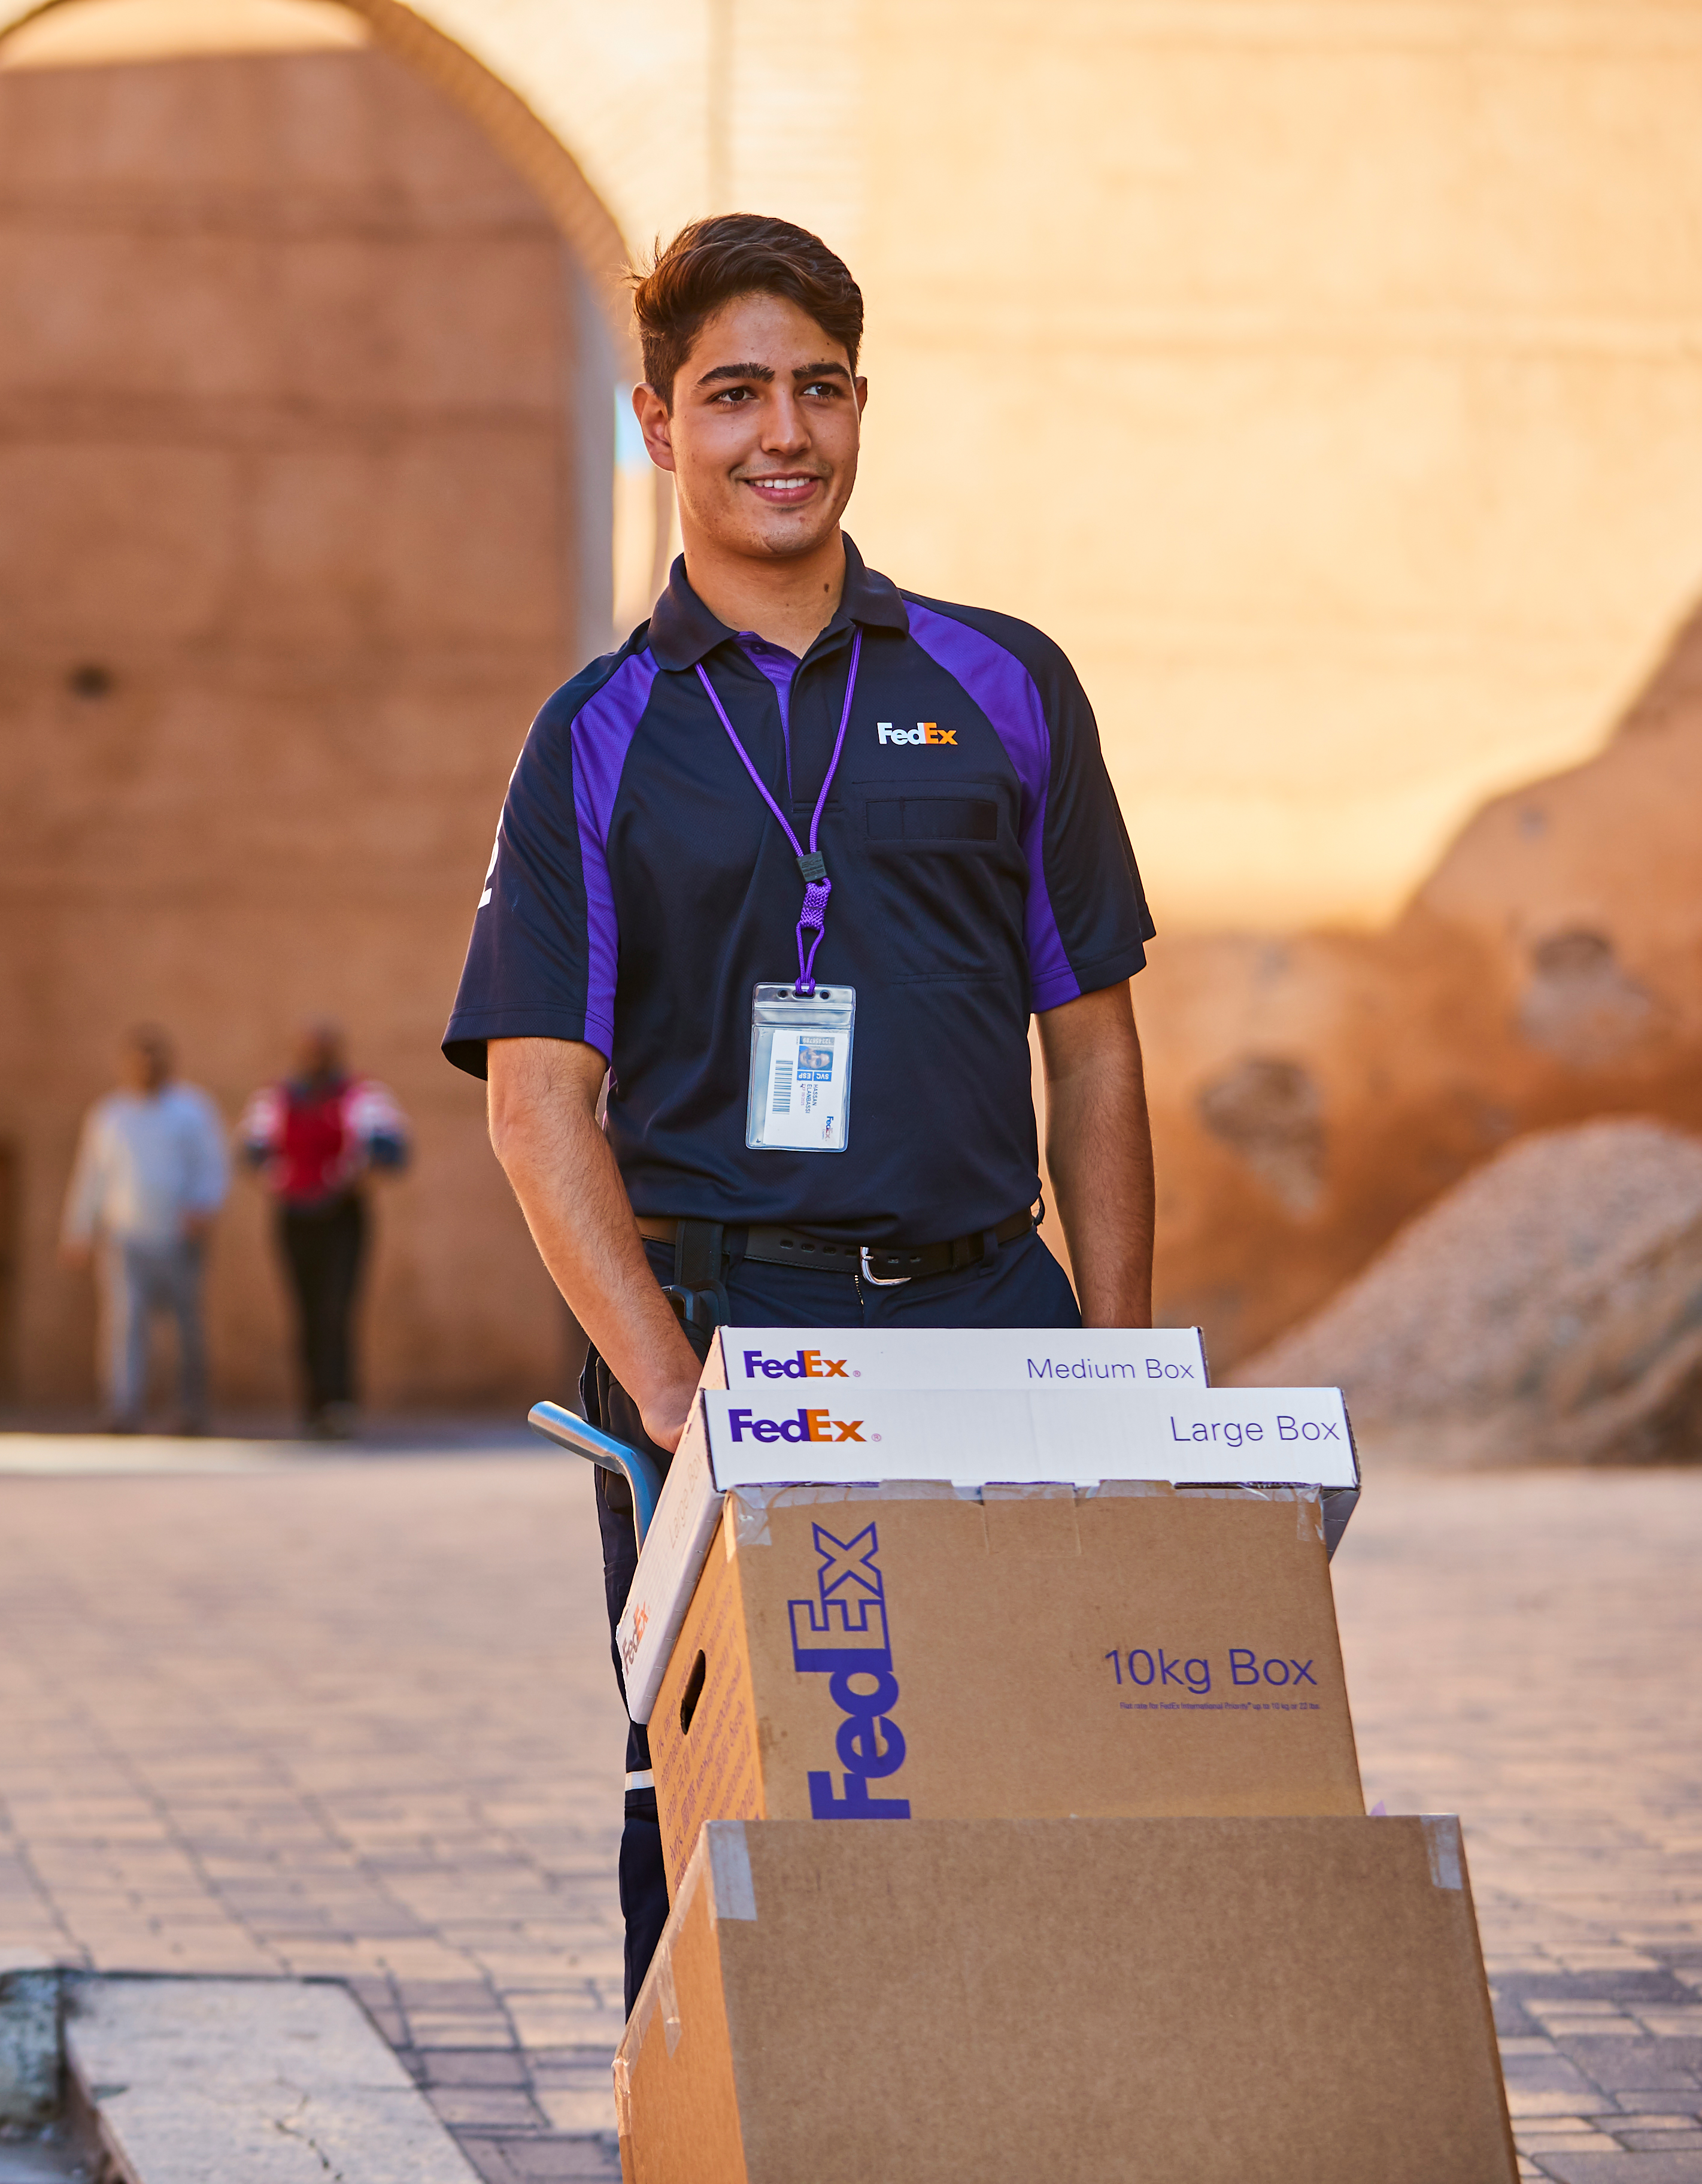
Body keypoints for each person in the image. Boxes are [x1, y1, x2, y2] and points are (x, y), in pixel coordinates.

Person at [441, 215, 1158, 2009]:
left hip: (994, 1311)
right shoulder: (597, 733)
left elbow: (1096, 1052)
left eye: (821, 389)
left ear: (861, 406)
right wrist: (681, 1405)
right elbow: (538, 1105)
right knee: (723, 1818)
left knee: (1033, 1791)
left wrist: (1121, 1371)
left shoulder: (1002, 686)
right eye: (736, 390)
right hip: (724, 1334)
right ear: (658, 419)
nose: (785, 432)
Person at [238, 1021, 411, 1438]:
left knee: (338, 1308)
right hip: (294, 1217)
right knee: (306, 1312)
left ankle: (340, 1403)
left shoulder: (362, 1097)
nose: (315, 1056)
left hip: (342, 1215)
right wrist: (273, 1172)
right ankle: (312, 1406)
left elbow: (395, 1148)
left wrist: (367, 1166)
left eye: (323, 1049)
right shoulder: (276, 1098)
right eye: (309, 1049)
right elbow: (251, 1149)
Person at [60, 1025, 230, 1434]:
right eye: (138, 1061)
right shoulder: (110, 1116)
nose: (146, 1069)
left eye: (154, 1060)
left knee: (186, 1326)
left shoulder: (191, 1110)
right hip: (125, 1237)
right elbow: (93, 1176)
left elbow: (212, 1163)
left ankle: (190, 1411)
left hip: (180, 1235)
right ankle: (123, 1409)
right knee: (125, 1323)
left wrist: (203, 1206)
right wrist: (78, 1231)